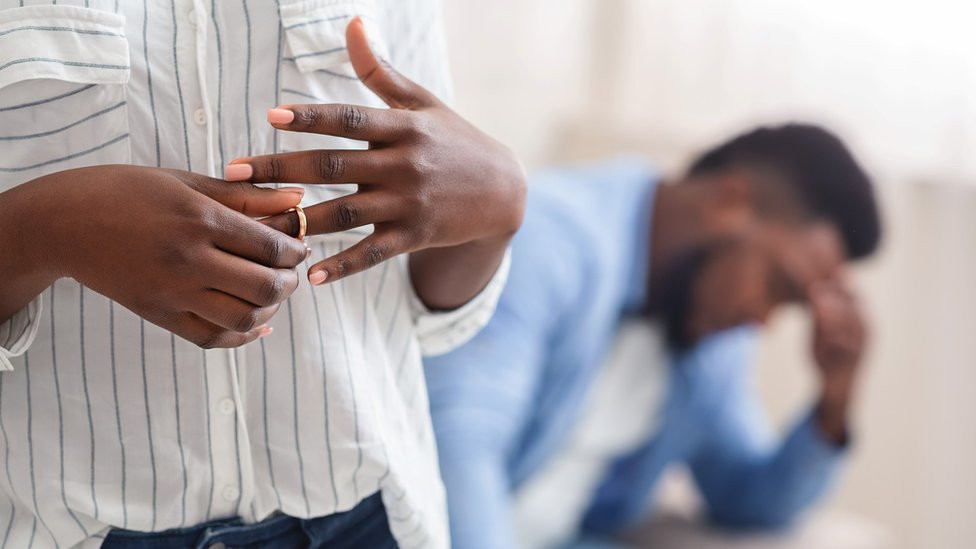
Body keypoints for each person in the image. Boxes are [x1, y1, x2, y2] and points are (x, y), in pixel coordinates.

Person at [0, 2, 524, 548]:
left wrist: (498, 211)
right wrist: (47, 227)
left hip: (373, 519)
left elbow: (424, 307)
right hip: (67, 528)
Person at [425, 124, 882, 548]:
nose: (764, 320)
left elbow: (743, 496)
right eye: (778, 287)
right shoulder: (553, 237)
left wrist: (834, 403)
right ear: (730, 203)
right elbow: (460, 447)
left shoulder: (711, 335)